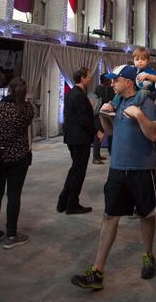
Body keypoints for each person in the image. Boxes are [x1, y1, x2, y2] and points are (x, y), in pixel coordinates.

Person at [71, 65, 156, 291]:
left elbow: (155, 134)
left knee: (146, 214)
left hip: (141, 168)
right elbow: (110, 132)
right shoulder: (117, 102)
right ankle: (97, 271)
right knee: (110, 216)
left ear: (128, 82)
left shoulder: (145, 103)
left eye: (115, 80)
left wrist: (139, 115)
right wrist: (104, 115)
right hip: (117, 168)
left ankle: (148, 255)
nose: (112, 84)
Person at [0, 77, 33, 249]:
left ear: (9, 90)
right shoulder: (27, 109)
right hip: (19, 157)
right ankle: (11, 235)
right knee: (14, 196)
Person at [57, 67, 101, 215]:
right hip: (79, 139)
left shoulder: (71, 93)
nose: (90, 78)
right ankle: (72, 204)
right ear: (82, 78)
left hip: (72, 138)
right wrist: (97, 132)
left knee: (74, 170)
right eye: (88, 76)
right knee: (78, 173)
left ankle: (63, 201)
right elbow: (84, 120)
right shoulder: (79, 96)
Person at [94, 74, 115, 157]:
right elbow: (104, 100)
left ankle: (98, 155)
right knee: (99, 134)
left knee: (105, 132)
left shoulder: (104, 88)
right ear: (106, 80)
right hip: (99, 114)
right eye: (109, 79)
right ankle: (96, 156)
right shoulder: (100, 88)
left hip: (103, 113)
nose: (111, 81)